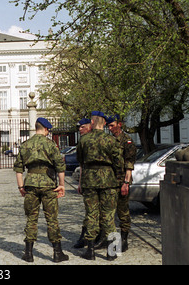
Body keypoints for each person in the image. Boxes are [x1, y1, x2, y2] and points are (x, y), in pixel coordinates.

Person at [13, 117, 69, 263]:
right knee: (52, 218)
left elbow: (19, 169)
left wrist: (20, 186)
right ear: (45, 129)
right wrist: (62, 184)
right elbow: (60, 167)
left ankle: (28, 253)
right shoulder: (51, 145)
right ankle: (57, 253)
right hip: (48, 184)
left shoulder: (25, 145)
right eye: (48, 130)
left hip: (30, 183)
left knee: (31, 218)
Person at [76, 111, 124, 260]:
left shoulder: (84, 140)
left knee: (91, 214)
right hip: (108, 180)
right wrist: (120, 180)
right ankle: (112, 252)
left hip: (89, 179)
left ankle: (90, 250)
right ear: (104, 123)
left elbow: (80, 159)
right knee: (109, 215)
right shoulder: (111, 140)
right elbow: (119, 163)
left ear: (91, 122)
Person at [106, 114, 137, 252]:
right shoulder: (109, 140)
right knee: (109, 212)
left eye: (112, 125)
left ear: (120, 124)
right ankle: (112, 242)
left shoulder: (127, 141)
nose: (110, 128)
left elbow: (129, 164)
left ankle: (124, 240)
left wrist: (126, 182)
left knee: (123, 211)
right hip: (110, 181)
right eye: (108, 125)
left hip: (121, 180)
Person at [73, 118, 92, 249]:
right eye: (79, 127)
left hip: (104, 182)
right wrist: (80, 183)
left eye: (82, 127)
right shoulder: (82, 142)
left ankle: (91, 241)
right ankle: (88, 240)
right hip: (89, 181)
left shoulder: (93, 139)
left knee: (106, 213)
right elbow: (81, 164)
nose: (80, 129)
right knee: (90, 211)